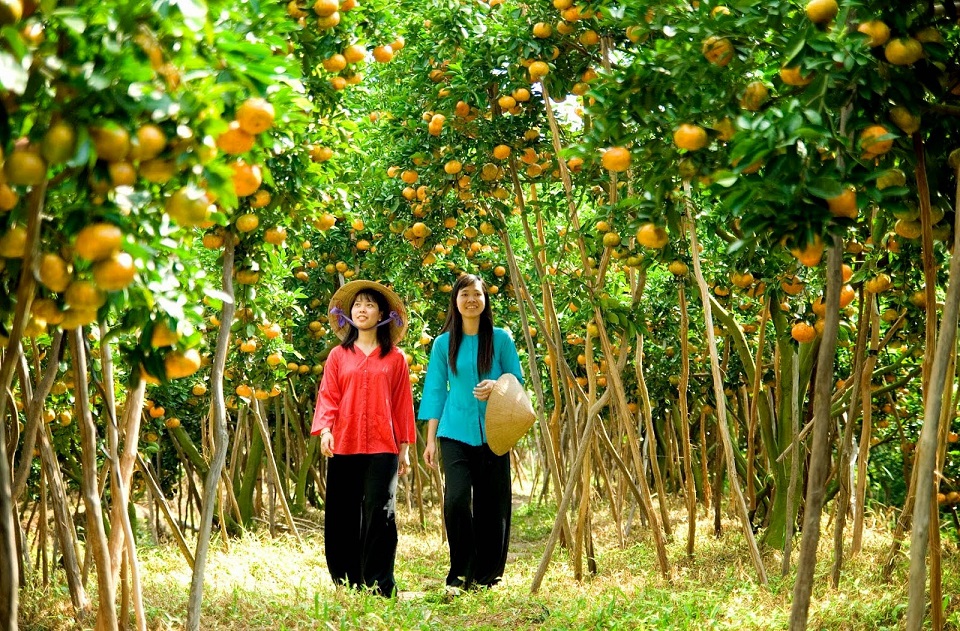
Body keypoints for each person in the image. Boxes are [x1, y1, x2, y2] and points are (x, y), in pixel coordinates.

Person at [419, 273, 524, 592]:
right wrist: (430, 440)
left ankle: (488, 575)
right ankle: (460, 573)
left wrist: (498, 385)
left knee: (494, 505)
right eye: (464, 294)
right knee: (457, 500)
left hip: (496, 430)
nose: (471, 300)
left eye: (477, 294)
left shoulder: (501, 338)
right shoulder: (442, 343)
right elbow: (435, 390)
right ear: (455, 300)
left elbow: (517, 379)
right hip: (455, 431)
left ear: (485, 300)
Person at [311, 280, 416, 597]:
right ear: (349, 314)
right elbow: (328, 396)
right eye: (357, 304)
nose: (362, 309)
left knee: (381, 512)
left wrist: (406, 448)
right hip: (344, 443)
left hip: (384, 446)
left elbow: (401, 403)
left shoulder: (395, 358)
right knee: (343, 512)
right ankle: (348, 580)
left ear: (382, 313)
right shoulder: (338, 356)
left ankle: (381, 584)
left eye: (369, 304)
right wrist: (326, 430)